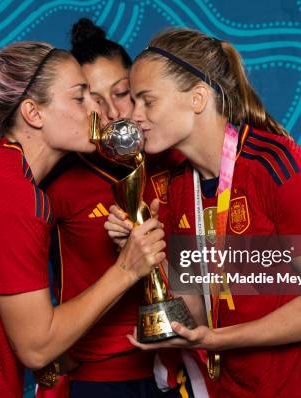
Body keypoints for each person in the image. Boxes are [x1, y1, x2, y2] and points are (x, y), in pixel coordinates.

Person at [106, 28, 301, 397]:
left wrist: (219, 339)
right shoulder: (178, 189)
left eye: (147, 101)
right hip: (244, 385)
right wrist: (142, 255)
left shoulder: (281, 167)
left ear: (197, 98)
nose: (134, 117)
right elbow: (195, 311)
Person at [0, 41, 167, 398]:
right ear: (33, 113)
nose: (95, 112)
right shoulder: (13, 197)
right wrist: (127, 269)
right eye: (79, 98)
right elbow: (37, 346)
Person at [40, 19, 192, 398]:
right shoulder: (58, 179)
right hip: (99, 376)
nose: (112, 111)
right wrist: (52, 357)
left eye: (122, 92)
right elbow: (16, 274)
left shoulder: (174, 160)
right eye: (93, 98)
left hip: (180, 363)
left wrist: (161, 235)